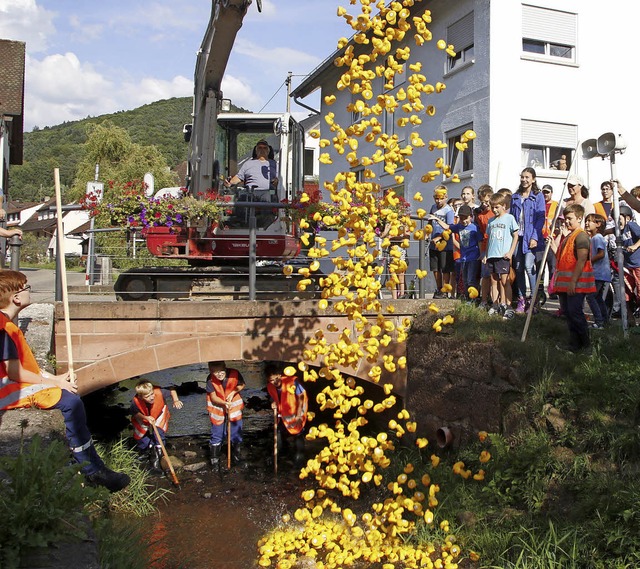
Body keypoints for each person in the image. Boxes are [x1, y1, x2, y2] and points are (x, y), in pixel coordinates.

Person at [0, 270, 130, 492]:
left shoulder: (7, 324)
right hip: (6, 390)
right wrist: (55, 384)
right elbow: (15, 372)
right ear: (17, 297)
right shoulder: (5, 328)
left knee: (69, 397)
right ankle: (92, 470)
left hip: (9, 384)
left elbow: (26, 364)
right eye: (27, 287)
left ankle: (91, 465)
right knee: (70, 403)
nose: (30, 291)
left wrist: (53, 377)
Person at [550, 204, 595, 353]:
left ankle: (586, 346)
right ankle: (574, 345)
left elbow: (582, 259)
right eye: (565, 219)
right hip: (565, 285)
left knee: (575, 313)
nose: (566, 222)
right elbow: (562, 258)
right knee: (569, 314)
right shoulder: (568, 237)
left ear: (579, 218)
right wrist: (552, 246)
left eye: (570, 219)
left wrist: (573, 282)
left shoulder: (581, 236)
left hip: (576, 284)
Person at [510, 168, 546, 313]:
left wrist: (534, 237)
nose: (524, 180)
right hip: (518, 238)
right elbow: (512, 218)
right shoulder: (515, 196)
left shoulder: (538, 196)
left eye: (527, 177)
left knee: (529, 266)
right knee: (518, 267)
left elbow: (540, 218)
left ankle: (534, 299)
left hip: (531, 237)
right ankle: (521, 299)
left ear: (533, 179)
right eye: (522, 177)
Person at [429, 204, 481, 299]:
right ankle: (467, 298)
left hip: (473, 257)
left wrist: (481, 254)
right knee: (465, 280)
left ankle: (473, 299)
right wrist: (437, 219)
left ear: (471, 217)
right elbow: (447, 227)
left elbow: (480, 242)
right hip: (464, 258)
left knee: (471, 279)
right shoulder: (459, 226)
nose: (463, 221)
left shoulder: (474, 228)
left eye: (465, 218)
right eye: (461, 218)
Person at [130, 380, 183, 471]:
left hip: (159, 413)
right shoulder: (135, 402)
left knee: (158, 434)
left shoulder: (159, 392)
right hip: (143, 416)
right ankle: (147, 449)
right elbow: (135, 413)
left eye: (152, 394)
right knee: (140, 436)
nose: (151, 397)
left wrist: (176, 400)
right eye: (147, 396)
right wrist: (146, 418)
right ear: (140, 397)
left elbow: (172, 390)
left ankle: (158, 453)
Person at [483, 193, 519, 319]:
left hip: (503, 256)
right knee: (494, 281)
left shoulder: (509, 218)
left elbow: (515, 236)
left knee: (505, 281)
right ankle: (495, 305)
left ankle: (509, 307)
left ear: (504, 206)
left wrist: (510, 252)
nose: (494, 210)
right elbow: (489, 239)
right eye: (492, 207)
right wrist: (486, 254)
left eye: (497, 207)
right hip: (492, 255)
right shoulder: (491, 221)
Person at [264, 363, 308, 464]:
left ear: (279, 375)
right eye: (271, 380)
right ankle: (281, 453)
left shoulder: (292, 382)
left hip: (296, 413)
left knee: (298, 434)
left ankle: (299, 458)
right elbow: (274, 397)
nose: (274, 382)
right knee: (280, 434)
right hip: (283, 415)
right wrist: (273, 403)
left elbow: (301, 398)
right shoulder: (270, 387)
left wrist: (298, 416)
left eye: (275, 379)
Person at [205, 360, 245, 468]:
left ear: (225, 367)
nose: (219, 374)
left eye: (221, 371)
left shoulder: (235, 373)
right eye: (216, 372)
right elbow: (213, 397)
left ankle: (236, 458)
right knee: (217, 434)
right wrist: (224, 403)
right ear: (210, 371)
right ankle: (214, 462)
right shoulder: (210, 380)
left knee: (236, 432)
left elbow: (241, 385)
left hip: (234, 408)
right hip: (217, 409)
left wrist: (233, 392)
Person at [584, 213, 610, 329]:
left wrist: (589, 261)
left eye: (590, 221)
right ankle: (605, 320)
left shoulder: (597, 238)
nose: (587, 223)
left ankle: (599, 322)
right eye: (586, 221)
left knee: (591, 297)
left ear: (598, 224)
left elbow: (601, 253)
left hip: (598, 273)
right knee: (598, 297)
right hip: (601, 273)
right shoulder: (593, 238)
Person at [428, 186, 455, 298]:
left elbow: (450, 228)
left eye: (441, 198)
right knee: (435, 268)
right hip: (434, 244)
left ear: (445, 197)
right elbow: (429, 223)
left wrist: (439, 237)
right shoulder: (433, 208)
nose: (438, 201)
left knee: (445, 268)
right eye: (436, 198)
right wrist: (426, 233)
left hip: (445, 244)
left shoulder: (449, 210)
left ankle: (445, 290)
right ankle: (439, 289)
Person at [474, 185, 495, 308]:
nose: (485, 204)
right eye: (483, 202)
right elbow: (482, 235)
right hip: (486, 247)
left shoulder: (495, 213)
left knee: (495, 276)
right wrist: (483, 252)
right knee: (485, 275)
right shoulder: (481, 216)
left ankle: (495, 300)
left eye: (487, 201)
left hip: (496, 246)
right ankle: (484, 301)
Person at [380, 220, 410, 299]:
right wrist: (386, 230)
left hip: (401, 256)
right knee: (393, 278)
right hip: (392, 256)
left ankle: (402, 295)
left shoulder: (403, 224)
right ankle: (394, 298)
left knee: (401, 276)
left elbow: (406, 237)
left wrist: (392, 238)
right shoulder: (390, 224)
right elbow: (382, 237)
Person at [541, 184, 559, 298]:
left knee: (552, 267)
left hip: (551, 238)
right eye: (544, 192)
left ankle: (552, 290)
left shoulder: (556, 205)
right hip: (541, 239)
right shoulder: (539, 205)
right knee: (540, 268)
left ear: (551, 193)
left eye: (547, 192)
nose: (545, 194)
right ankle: (540, 290)